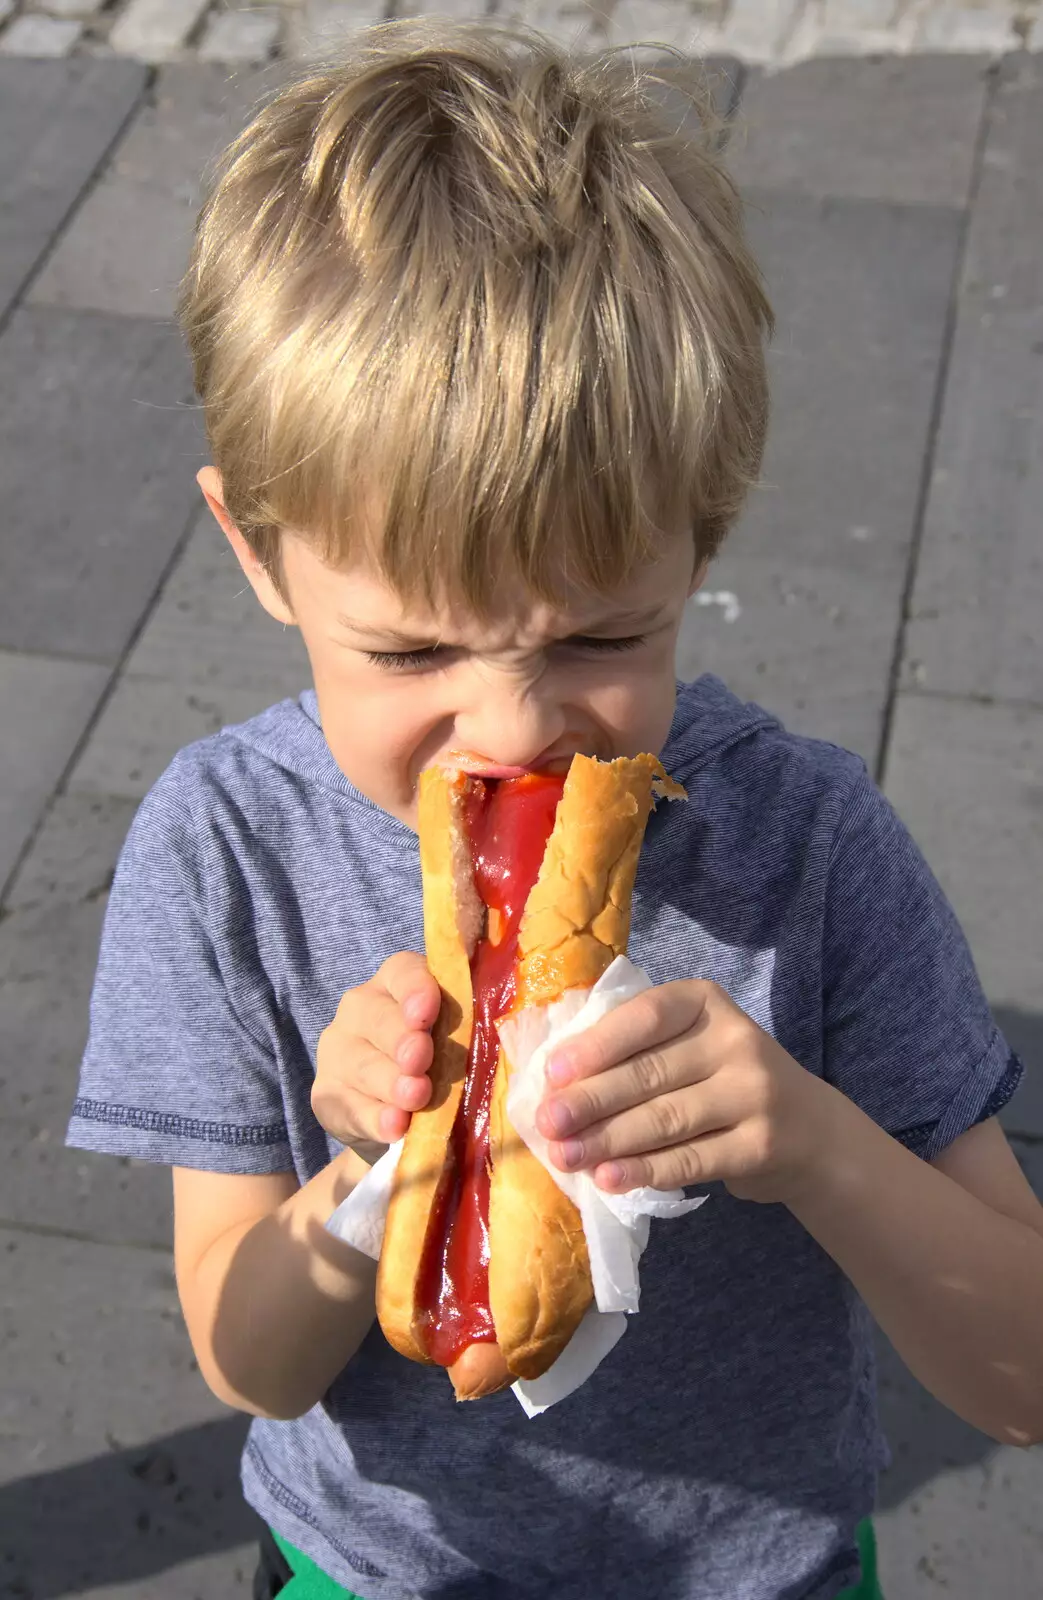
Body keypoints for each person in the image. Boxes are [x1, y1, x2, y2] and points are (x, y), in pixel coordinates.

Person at [66, 19, 1043, 1600]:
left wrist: (812, 1144)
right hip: (378, 1568)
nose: (509, 730)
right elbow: (247, 1360)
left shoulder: (803, 845)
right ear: (256, 553)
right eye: (406, 650)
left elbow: (1016, 1381)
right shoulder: (229, 847)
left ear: (698, 549)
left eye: (602, 637)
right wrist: (359, 1183)